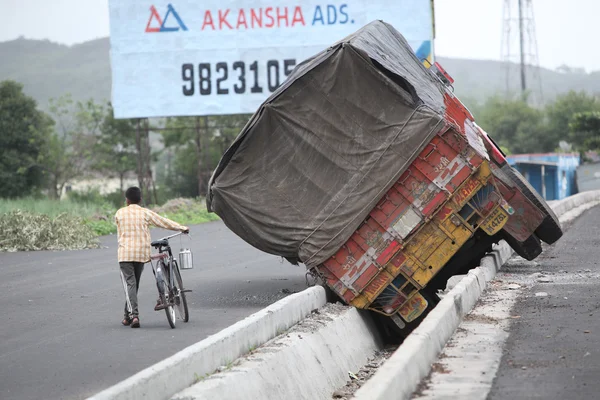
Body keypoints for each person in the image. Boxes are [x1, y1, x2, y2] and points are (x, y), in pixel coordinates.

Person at [115, 187, 189, 328]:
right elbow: (163, 222)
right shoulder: (145, 213)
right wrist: (181, 227)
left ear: (127, 200)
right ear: (140, 199)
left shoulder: (119, 213)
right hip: (141, 254)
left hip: (125, 254)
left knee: (130, 284)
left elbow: (120, 232)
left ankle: (134, 316)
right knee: (133, 284)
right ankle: (127, 316)